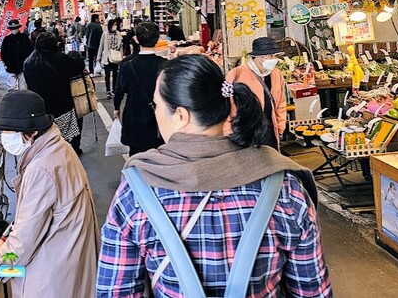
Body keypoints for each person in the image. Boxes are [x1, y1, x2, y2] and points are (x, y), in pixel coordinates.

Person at [97, 55, 331, 298]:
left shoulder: (136, 192)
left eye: (156, 105)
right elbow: (312, 291)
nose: (155, 112)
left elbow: (115, 291)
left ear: (180, 115)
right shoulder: (285, 187)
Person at [0, 90, 99, 297]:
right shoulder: (58, 148)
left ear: (31, 132)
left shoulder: (42, 168)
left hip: (53, 270)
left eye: (10, 131)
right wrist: (4, 240)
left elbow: (25, 239)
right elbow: (36, 217)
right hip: (69, 257)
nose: (5, 136)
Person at [225, 36, 287, 150]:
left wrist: (280, 127)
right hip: (246, 132)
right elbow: (226, 106)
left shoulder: (277, 74)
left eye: (275, 55)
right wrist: (230, 132)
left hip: (270, 130)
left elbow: (281, 103)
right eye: (270, 55)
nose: (274, 59)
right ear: (259, 56)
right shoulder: (236, 74)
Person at [113, 22, 165, 156]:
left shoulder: (127, 66)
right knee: (161, 157)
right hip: (160, 120)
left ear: (136, 39)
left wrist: (116, 108)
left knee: (136, 158)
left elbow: (120, 89)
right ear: (157, 39)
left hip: (135, 117)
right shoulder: (166, 65)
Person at [23, 32, 81, 149]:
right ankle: (70, 149)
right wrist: (74, 55)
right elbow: (77, 67)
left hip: (40, 108)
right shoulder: (61, 59)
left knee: (45, 134)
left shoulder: (29, 62)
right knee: (64, 134)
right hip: (61, 106)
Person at [0, 19, 33, 90]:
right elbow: (3, 53)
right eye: (12, 29)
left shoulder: (24, 37)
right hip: (11, 67)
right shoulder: (7, 39)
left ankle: (22, 100)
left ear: (18, 28)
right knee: (12, 88)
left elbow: (30, 50)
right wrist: (7, 63)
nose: (14, 30)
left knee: (23, 88)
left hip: (23, 66)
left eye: (15, 28)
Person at [98, 19, 124, 98]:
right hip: (107, 56)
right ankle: (108, 90)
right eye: (113, 24)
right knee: (107, 74)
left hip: (115, 56)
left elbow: (121, 47)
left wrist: (121, 57)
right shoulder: (105, 34)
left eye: (116, 24)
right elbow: (101, 46)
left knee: (115, 74)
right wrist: (98, 57)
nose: (115, 26)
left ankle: (114, 89)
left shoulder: (118, 34)